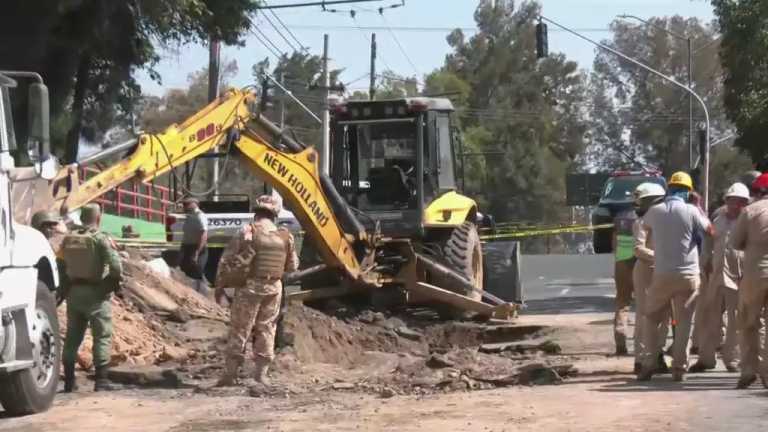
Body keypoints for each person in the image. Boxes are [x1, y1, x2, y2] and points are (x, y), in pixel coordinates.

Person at [637, 171, 714, 382]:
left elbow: (642, 229)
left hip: (661, 274)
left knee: (652, 319)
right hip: (688, 275)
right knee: (684, 323)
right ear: (688, 192)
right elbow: (711, 230)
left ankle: (649, 363)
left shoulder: (655, 211)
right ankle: (679, 369)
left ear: (669, 189)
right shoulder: (691, 210)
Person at [216, 195, 298, 386]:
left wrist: (220, 287)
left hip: (249, 288)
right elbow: (292, 266)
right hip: (274, 288)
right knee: (267, 328)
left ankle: (230, 375)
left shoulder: (247, 231)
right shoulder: (285, 235)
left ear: (256, 212)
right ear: (275, 214)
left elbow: (226, 261)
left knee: (240, 329)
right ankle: (261, 374)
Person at [59, 204, 123, 392]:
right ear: (99, 218)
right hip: (96, 294)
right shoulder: (100, 239)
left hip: (74, 294)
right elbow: (116, 267)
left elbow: (60, 265)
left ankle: (69, 382)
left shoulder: (68, 239)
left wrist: (65, 289)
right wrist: (112, 284)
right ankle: (101, 381)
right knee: (102, 336)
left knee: (72, 338)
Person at [688, 182, 750, 374]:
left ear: (745, 203)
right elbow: (708, 241)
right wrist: (704, 262)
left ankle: (732, 359)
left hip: (738, 277)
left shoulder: (748, 221)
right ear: (727, 201)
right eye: (732, 201)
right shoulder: (718, 220)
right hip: (715, 275)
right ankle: (706, 359)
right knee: (710, 317)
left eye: (739, 202)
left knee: (735, 320)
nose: (735, 205)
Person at [731, 173, 768, 389]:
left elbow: (735, 242)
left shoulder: (750, 210)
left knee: (749, 323)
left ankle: (748, 371)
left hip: (755, 274)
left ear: (757, 192)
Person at [631, 182, 669, 374]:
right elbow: (638, 249)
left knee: (664, 316)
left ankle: (657, 354)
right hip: (646, 270)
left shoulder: (665, 221)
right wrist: (660, 256)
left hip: (664, 271)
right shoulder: (641, 223)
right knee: (645, 315)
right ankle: (641, 358)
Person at [613, 202, 637, 356]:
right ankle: (644, 343)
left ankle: (620, 335)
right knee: (645, 306)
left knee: (622, 302)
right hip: (641, 259)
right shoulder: (647, 216)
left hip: (622, 259)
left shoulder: (620, 218)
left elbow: (614, 242)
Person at [179, 197, 209, 294]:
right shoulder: (189, 216)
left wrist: (197, 252)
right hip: (187, 247)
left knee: (197, 271)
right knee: (186, 271)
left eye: (186, 204)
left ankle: (203, 294)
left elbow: (203, 235)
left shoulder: (200, 216)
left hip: (196, 248)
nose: (184, 207)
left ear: (194, 204)